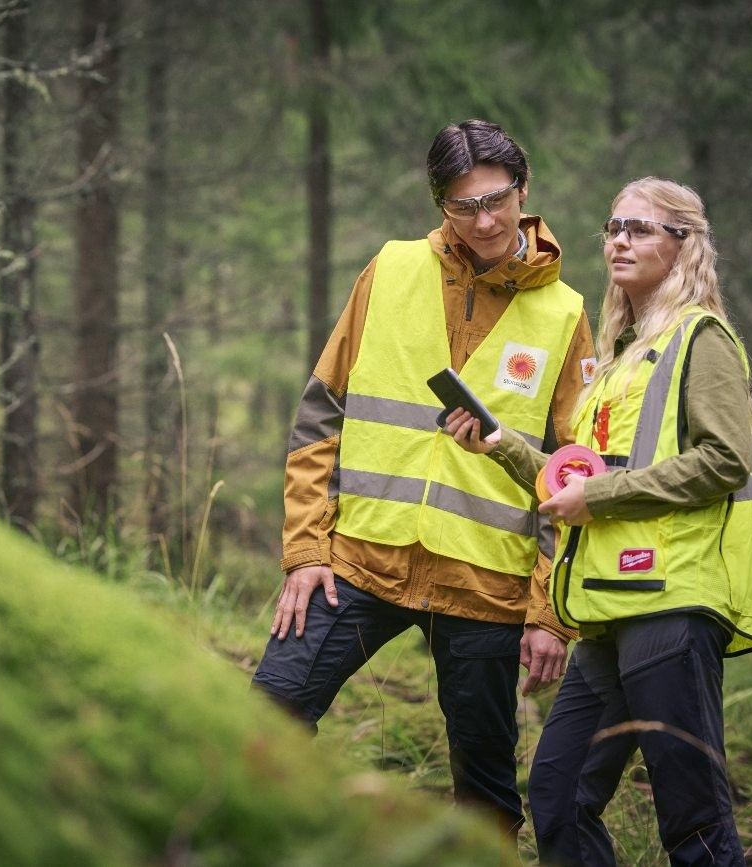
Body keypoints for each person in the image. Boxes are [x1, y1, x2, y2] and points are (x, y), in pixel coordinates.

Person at [251, 119, 596, 852]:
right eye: (463, 206)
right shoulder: (390, 267)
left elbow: (574, 473)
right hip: (360, 564)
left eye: (498, 199)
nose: (486, 220)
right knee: (267, 713)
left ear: (523, 189)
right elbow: (321, 414)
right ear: (440, 204)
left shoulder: (565, 312)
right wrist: (307, 549)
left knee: (486, 791)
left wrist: (548, 610)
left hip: (487, 583)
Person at [445, 177, 752, 866]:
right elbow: (575, 480)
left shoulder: (700, 339)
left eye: (641, 228)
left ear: (685, 245)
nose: (619, 239)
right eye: (614, 226)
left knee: (693, 817)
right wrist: (499, 441)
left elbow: (726, 460)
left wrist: (603, 498)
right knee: (557, 795)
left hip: (673, 607)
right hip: (607, 612)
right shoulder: (622, 356)